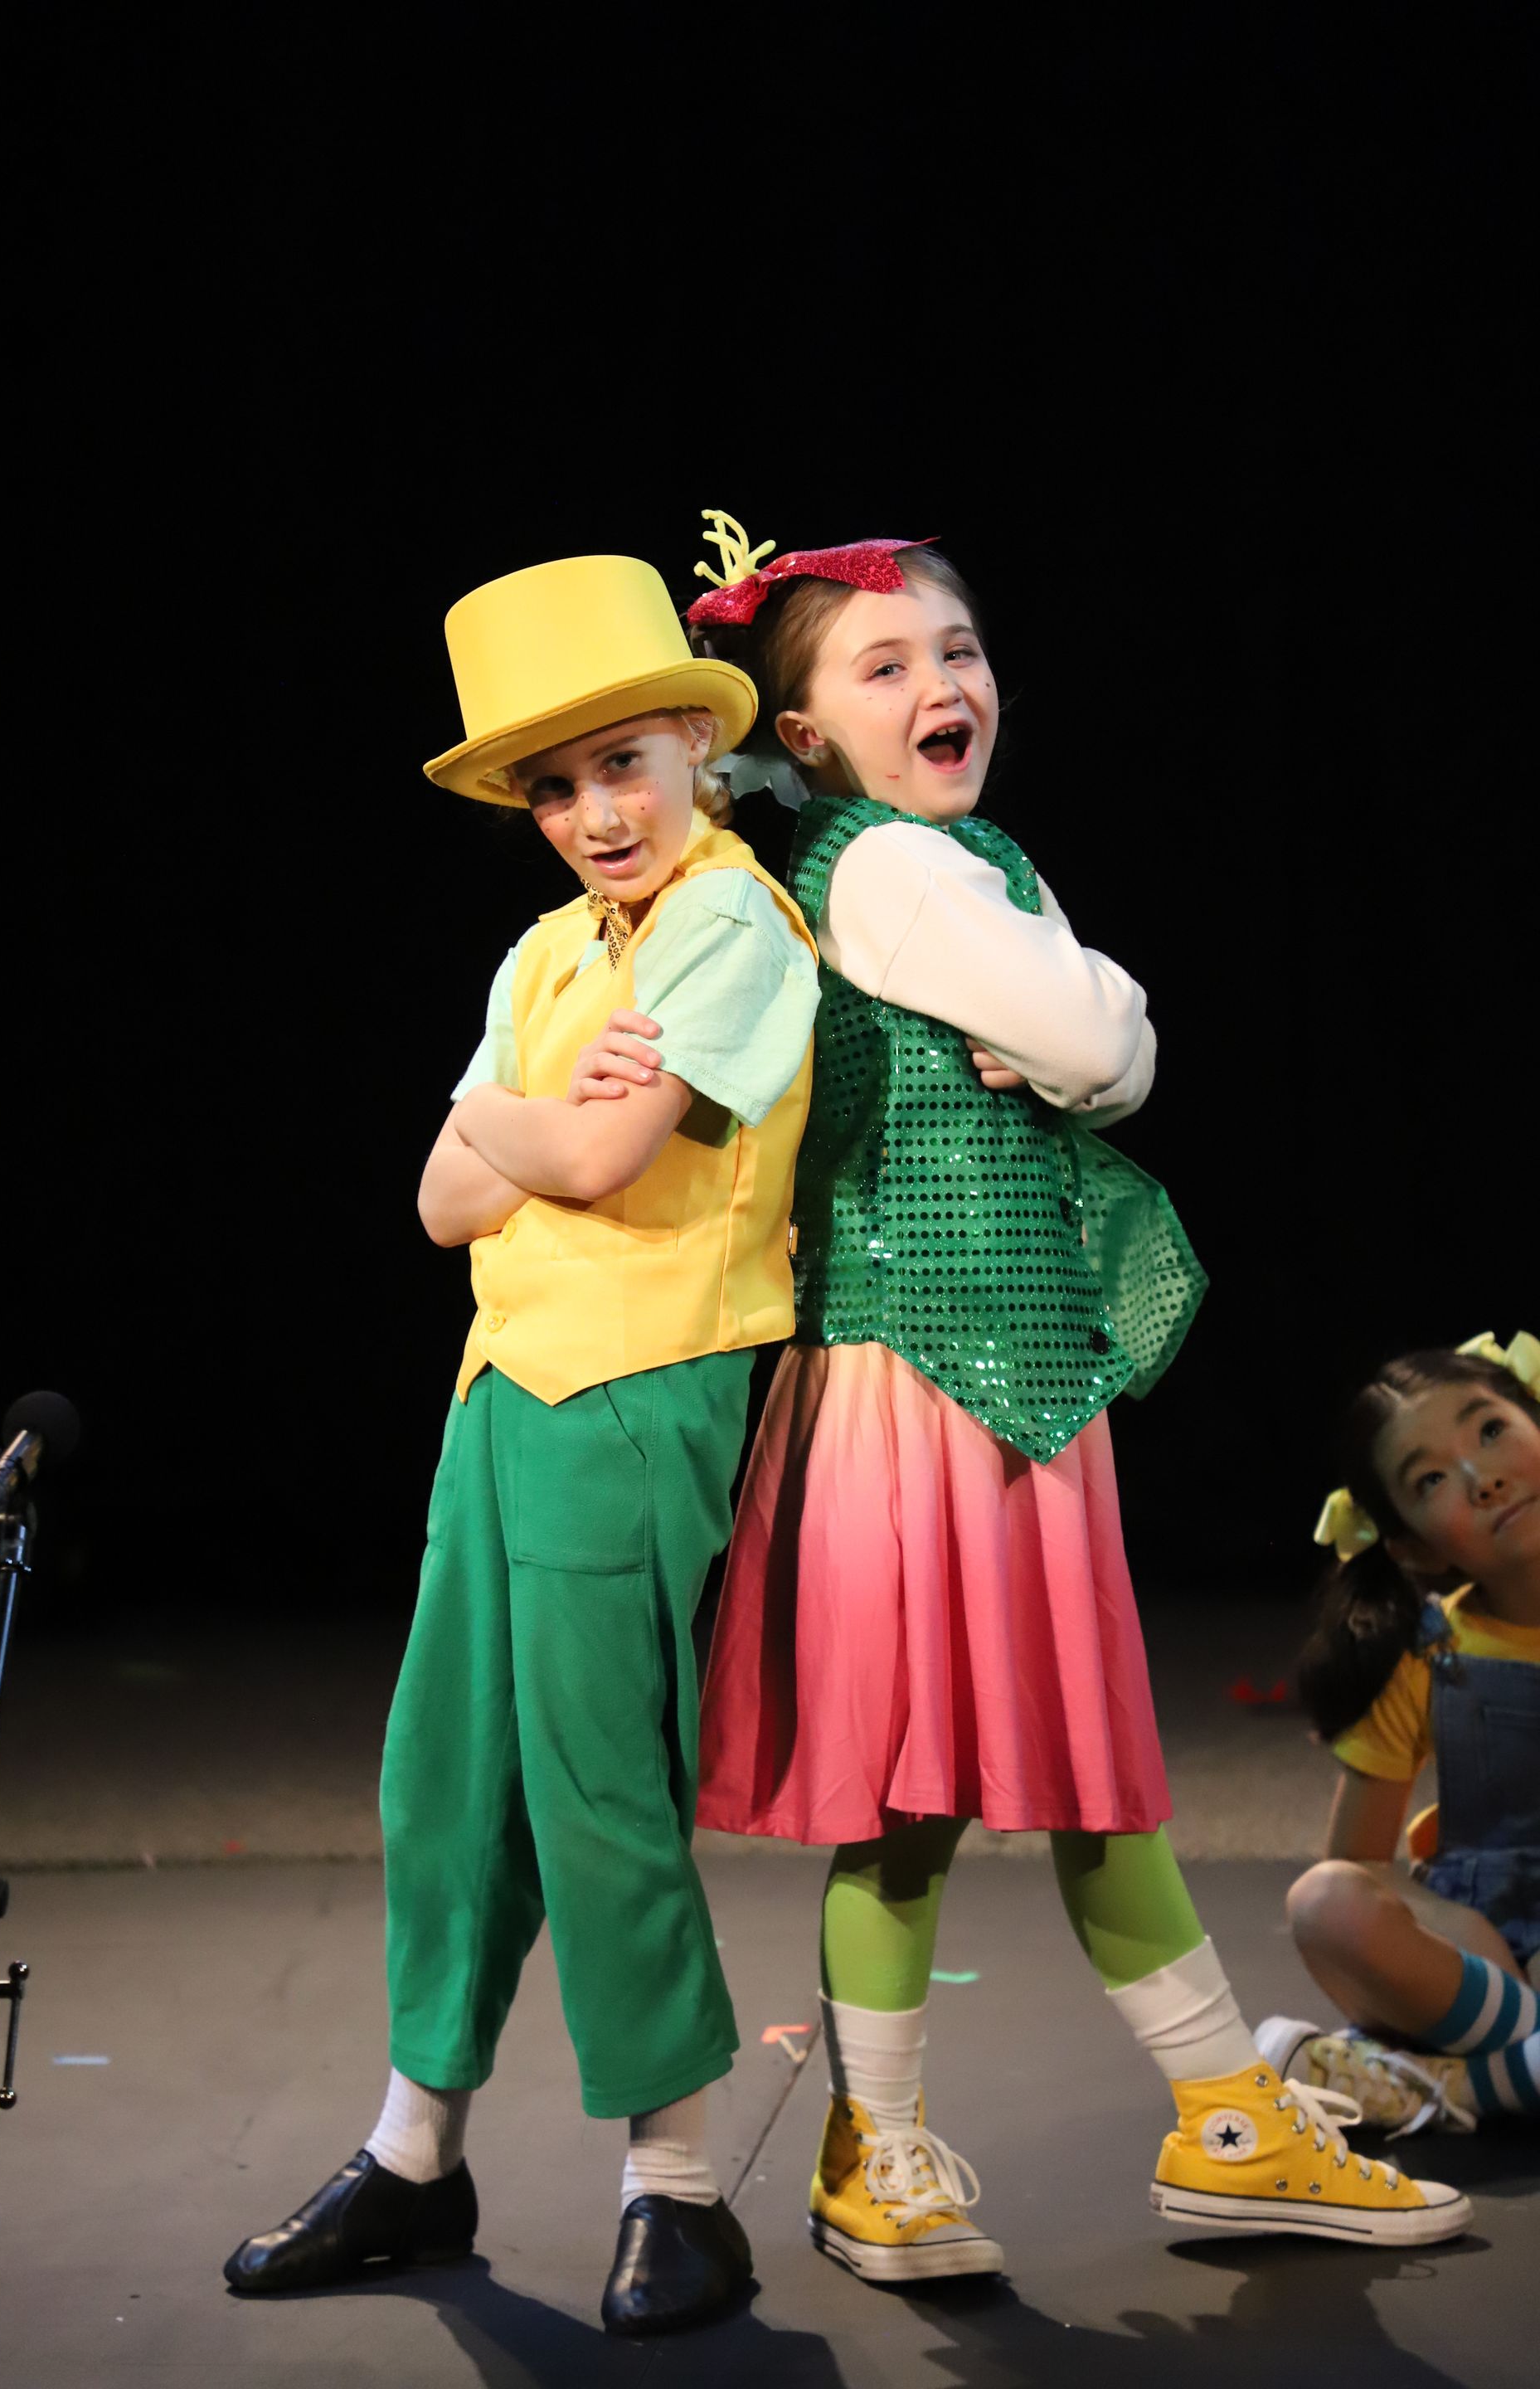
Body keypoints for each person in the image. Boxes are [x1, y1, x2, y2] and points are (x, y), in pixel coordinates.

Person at [688, 511, 1470, 2268]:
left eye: (956, 653)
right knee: (977, 1781)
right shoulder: (893, 872)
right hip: (925, 1391)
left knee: (985, 1782)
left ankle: (1069, 2128)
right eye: (884, 667)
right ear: (803, 731)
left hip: (988, 1388)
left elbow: (1104, 1059)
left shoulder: (937, 863)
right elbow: (1105, 1048)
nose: (940, 683)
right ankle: (1119, 2125)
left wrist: (1091, 1023)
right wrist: (1099, 1010)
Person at [224, 552, 820, 2334]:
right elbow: (439, 1203)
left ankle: (682, 2186)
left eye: (620, 764)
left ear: (695, 756)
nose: (589, 812)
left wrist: (517, 1124)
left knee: (594, 1788)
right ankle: (418, 2151)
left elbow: (584, 1170)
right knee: (446, 1780)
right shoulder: (556, 952)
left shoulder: (731, 921)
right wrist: (525, 1113)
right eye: (553, 788)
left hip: (643, 1396)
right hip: (502, 1396)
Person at [1257, 1331, 1540, 2136]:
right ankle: (1514, 2064)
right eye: (1431, 1480)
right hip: (1485, 1948)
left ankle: (1437, 2084)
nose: (1481, 1477)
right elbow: (1358, 1865)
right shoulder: (1428, 1653)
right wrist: (1439, 1929)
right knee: (1324, 1902)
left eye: (1490, 1431)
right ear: (1410, 1542)